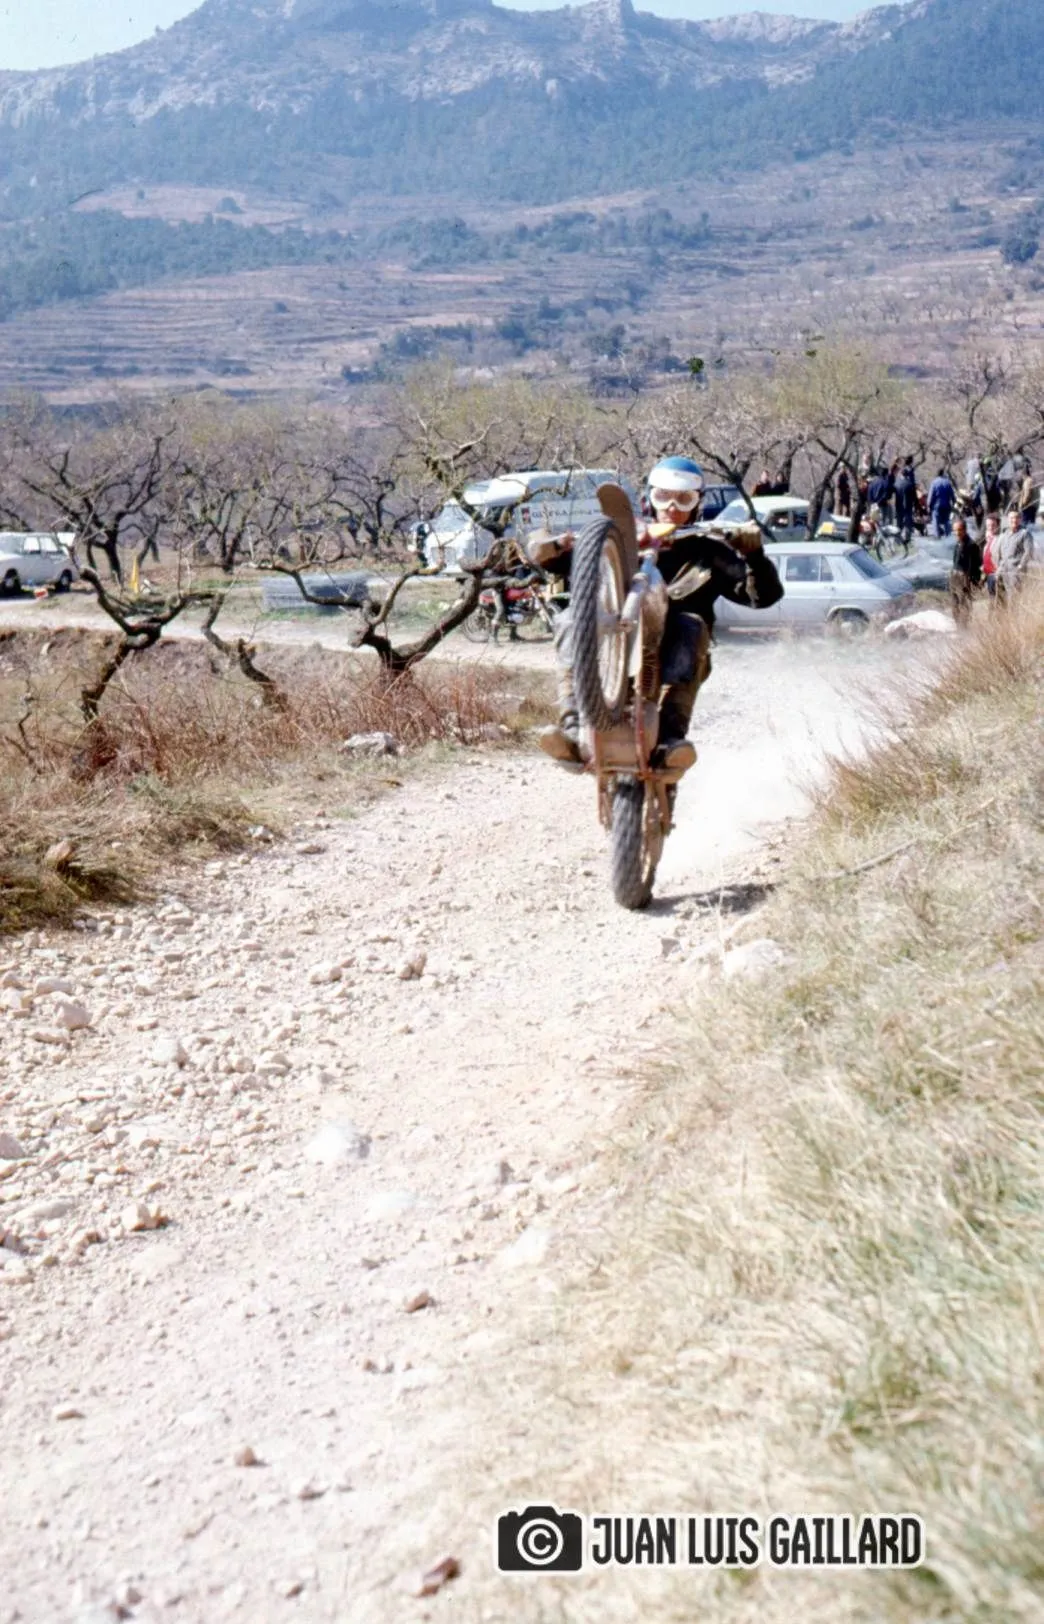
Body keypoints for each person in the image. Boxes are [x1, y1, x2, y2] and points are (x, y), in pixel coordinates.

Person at [535, 458, 784, 770]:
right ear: (648, 498)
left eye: (684, 499)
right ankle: (572, 730)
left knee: (691, 625)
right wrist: (550, 544)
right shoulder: (618, 540)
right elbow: (550, 559)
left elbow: (763, 597)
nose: (672, 508)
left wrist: (754, 555)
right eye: (663, 497)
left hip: (675, 653)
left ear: (698, 503)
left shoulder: (709, 551)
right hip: (611, 644)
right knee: (569, 619)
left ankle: (670, 740)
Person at [994, 507, 1033, 607]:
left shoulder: (1024, 534)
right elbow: (997, 553)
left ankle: (1012, 616)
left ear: (1020, 519)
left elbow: (1028, 552)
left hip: (1015, 572)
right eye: (1012, 518)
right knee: (1000, 599)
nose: (1014, 520)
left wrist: (1020, 566)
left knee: (1014, 599)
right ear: (1008, 519)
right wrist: (998, 567)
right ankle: (1001, 616)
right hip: (1003, 570)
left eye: (1017, 517)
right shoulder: (1004, 534)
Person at [948, 517, 981, 625]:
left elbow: (976, 565)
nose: (957, 533)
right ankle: (958, 626)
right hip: (955, 577)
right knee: (954, 605)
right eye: (955, 530)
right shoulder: (958, 543)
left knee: (964, 605)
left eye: (959, 530)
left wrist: (973, 582)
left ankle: (964, 628)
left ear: (965, 530)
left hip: (965, 579)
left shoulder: (971, 545)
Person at [894, 458, 917, 553]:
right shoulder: (909, 484)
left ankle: (897, 539)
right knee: (908, 523)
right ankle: (907, 539)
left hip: (899, 505)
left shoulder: (896, 483)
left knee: (899, 523)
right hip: (908, 505)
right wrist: (916, 504)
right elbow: (914, 496)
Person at [928, 467, 956, 537]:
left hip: (936, 506)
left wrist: (929, 505)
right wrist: (954, 502)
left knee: (936, 522)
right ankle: (948, 536)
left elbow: (931, 496)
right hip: (946, 506)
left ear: (937, 474)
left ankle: (937, 536)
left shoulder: (934, 483)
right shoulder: (947, 482)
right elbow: (952, 495)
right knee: (947, 521)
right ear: (943, 474)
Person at [981, 513, 1000, 604]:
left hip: (996, 575)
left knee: (997, 602)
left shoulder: (1000, 540)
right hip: (988, 575)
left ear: (998, 526)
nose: (990, 527)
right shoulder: (987, 542)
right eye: (988, 525)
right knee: (991, 601)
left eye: (993, 525)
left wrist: (998, 573)